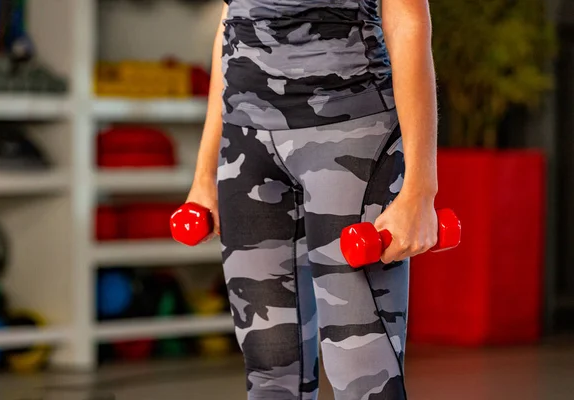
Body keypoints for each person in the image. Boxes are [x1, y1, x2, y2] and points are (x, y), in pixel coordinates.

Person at [187, 0, 438, 398]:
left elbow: (407, 20)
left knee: (364, 373)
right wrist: (204, 175)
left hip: (350, 132)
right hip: (246, 144)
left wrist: (421, 191)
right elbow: (230, 22)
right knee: (270, 370)